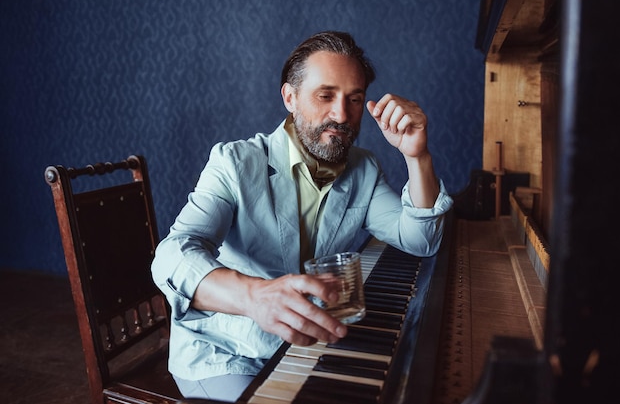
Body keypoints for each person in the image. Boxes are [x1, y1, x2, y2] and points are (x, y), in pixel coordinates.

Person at [151, 30, 453, 401]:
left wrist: (416, 156)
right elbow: (172, 255)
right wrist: (253, 296)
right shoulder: (234, 162)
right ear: (290, 98)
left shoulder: (364, 169)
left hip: (304, 349)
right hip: (225, 354)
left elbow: (423, 240)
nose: (341, 115)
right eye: (325, 96)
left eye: (354, 99)